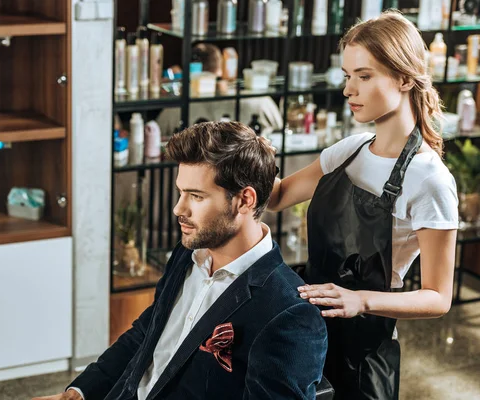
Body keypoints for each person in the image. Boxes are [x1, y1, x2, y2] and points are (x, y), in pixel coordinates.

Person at [34, 122, 327, 400]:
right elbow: (147, 334)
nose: (178, 208)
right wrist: (77, 394)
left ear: (244, 200)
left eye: (196, 196)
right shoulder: (188, 255)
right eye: (180, 192)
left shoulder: (289, 314)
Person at [267, 11, 458, 400]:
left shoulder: (430, 179)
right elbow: (277, 197)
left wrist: (359, 300)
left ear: (405, 78)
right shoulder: (348, 152)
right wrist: (244, 151)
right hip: (309, 329)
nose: (348, 90)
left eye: (364, 76)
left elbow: (439, 297)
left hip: (364, 350)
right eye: (347, 76)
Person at [156, 44, 283, 135]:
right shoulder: (260, 101)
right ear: (222, 67)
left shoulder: (174, 109)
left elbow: (157, 137)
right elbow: (282, 130)